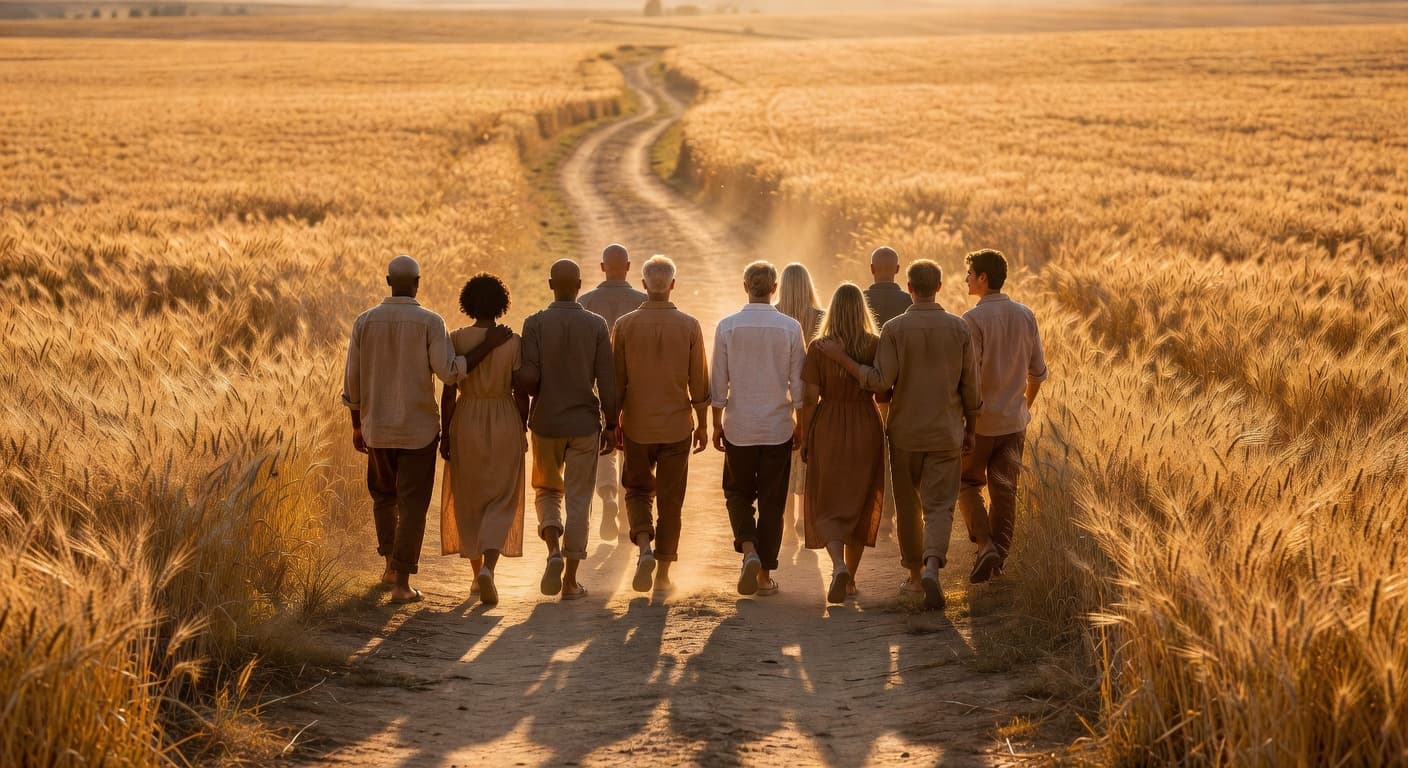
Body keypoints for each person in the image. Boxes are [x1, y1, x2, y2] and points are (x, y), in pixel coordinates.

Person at [342, 255, 509, 605]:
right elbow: (449, 373)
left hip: (377, 427)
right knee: (413, 504)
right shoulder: (430, 321)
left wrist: (357, 426)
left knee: (384, 497)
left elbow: (352, 382)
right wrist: (488, 347)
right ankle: (402, 583)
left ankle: (389, 565)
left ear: (389, 280)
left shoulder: (364, 321)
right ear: (417, 282)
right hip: (418, 430)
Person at [815, 259, 980, 611]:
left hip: (904, 434)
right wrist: (972, 429)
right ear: (938, 286)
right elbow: (971, 388)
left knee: (908, 508)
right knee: (939, 506)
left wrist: (844, 360)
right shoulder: (959, 329)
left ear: (909, 288)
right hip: (946, 431)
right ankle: (933, 567)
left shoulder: (894, 329)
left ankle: (916, 577)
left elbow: (879, 382)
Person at [517, 259, 617, 601]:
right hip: (585, 424)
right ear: (579, 284)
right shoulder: (596, 325)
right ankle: (571, 581)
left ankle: (553, 547)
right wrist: (612, 423)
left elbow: (527, 378)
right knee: (579, 499)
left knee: (546, 491)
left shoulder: (534, 324)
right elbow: (607, 379)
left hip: (545, 423)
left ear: (549, 285)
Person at [611, 255, 710, 594]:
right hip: (676, 427)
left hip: (637, 425)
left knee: (637, 490)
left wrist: (613, 422)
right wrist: (704, 424)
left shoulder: (623, 326)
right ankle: (664, 572)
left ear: (643, 286)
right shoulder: (690, 325)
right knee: (671, 500)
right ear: (672, 285)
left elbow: (616, 383)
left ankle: (644, 548)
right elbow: (699, 384)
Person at [712, 261, 806, 597]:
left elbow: (718, 381)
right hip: (777, 426)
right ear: (774, 289)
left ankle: (748, 549)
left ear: (745, 286)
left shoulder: (727, 327)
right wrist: (800, 424)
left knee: (736, 492)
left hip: (739, 425)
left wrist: (715, 422)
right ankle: (764, 575)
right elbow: (798, 384)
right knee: (772, 501)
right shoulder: (790, 328)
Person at [439, 274, 532, 606]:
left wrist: (445, 433)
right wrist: (522, 427)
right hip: (504, 416)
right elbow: (520, 391)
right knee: (502, 497)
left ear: (467, 303)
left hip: (466, 420)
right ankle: (488, 570)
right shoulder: (513, 340)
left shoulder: (456, 338)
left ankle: (477, 576)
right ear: (501, 304)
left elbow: (448, 392)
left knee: (469, 498)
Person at [959, 248, 1048, 583]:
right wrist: (1024, 405)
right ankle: (997, 567)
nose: (966, 279)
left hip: (980, 423)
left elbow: (972, 378)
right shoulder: (1026, 315)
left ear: (983, 278)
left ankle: (984, 546)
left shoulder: (972, 320)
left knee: (965, 483)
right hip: (1014, 421)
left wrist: (966, 420)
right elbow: (1038, 373)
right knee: (1005, 490)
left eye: (969, 273)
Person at [800, 283, 885, 604]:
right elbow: (882, 388)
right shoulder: (874, 345)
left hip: (829, 425)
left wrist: (807, 435)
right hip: (865, 424)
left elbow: (809, 397)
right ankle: (850, 580)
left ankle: (837, 566)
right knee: (861, 499)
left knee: (828, 498)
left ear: (832, 309)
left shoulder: (818, 347)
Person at [578, 243, 648, 541]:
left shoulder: (586, 301)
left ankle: (607, 498)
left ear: (603, 267)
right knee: (627, 449)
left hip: (596, 384)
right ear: (629, 267)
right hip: (634, 386)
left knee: (604, 447)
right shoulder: (644, 301)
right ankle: (624, 519)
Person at [862, 246, 912, 541]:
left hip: (867, 390)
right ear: (897, 269)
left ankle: (874, 514)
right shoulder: (908, 301)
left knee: (871, 454)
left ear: (871, 269)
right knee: (897, 455)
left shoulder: (861, 300)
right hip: (902, 391)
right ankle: (890, 519)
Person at [777, 263, 825, 537]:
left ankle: (785, 517)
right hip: (814, 397)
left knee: (785, 455)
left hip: (783, 397)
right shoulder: (821, 317)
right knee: (808, 455)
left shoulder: (775, 314)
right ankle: (804, 517)